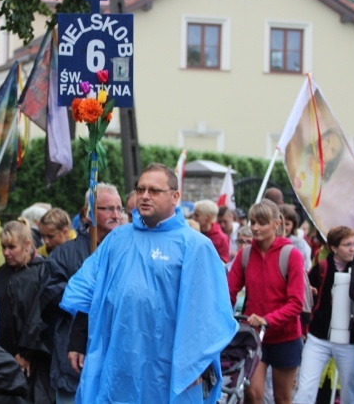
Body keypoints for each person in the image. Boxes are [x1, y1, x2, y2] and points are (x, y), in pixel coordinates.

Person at [60, 163, 237, 403]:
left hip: (165, 366)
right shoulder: (117, 239)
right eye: (140, 189)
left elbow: (206, 312)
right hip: (118, 361)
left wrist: (198, 363)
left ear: (175, 196)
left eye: (154, 191)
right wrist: (77, 340)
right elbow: (89, 291)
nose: (144, 196)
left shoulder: (195, 247)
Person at [40, 183, 123, 404]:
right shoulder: (64, 254)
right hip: (74, 360)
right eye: (107, 209)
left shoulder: (128, 253)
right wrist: (86, 293)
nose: (116, 215)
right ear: (88, 214)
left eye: (119, 209)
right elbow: (49, 301)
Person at [228, 199, 305, 404]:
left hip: (286, 338)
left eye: (261, 223)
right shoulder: (245, 254)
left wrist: (267, 319)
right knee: (252, 393)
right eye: (252, 222)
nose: (255, 227)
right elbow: (228, 291)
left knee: (282, 398)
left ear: (276, 223)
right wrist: (223, 315)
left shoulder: (292, 255)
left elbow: (296, 303)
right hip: (255, 337)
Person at [294, 226, 354, 404]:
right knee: (305, 391)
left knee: (350, 393)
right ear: (333, 247)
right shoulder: (322, 268)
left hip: (350, 341)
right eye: (347, 245)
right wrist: (310, 292)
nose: (353, 249)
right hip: (319, 338)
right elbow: (304, 295)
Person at [0, 220, 53, 404]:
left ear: (27, 244)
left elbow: (39, 316)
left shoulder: (42, 272)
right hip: (2, 357)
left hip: (32, 361)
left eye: (11, 247)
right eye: (3, 247)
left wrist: (26, 353)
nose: (6, 253)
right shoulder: (0, 274)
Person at [279, 204, 312, 272]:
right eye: (280, 223)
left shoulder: (300, 244)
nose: (283, 227)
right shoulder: (268, 242)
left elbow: (305, 267)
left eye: (287, 224)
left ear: (293, 225)